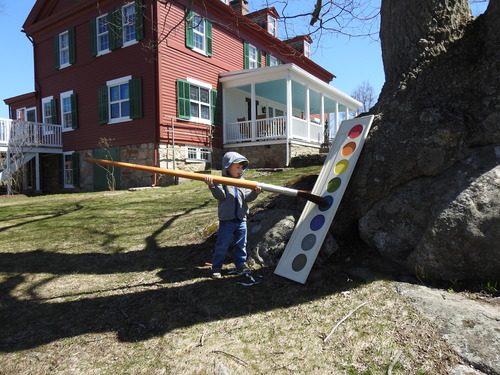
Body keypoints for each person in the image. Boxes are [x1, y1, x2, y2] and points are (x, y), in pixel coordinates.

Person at [205, 152, 262, 279]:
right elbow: (221, 196)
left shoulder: (244, 182)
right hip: (227, 220)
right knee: (222, 245)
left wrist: (255, 193)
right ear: (227, 167)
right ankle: (216, 268)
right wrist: (212, 186)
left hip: (241, 219)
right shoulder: (222, 181)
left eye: (242, 167)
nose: (240, 170)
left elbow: (247, 198)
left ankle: (240, 265)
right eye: (237, 167)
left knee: (241, 244)